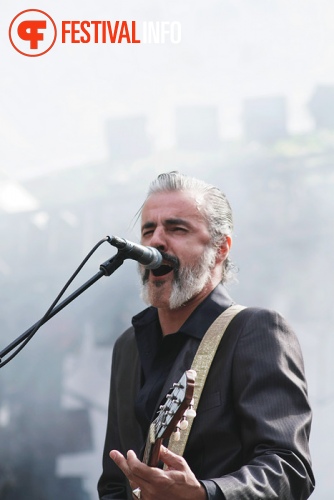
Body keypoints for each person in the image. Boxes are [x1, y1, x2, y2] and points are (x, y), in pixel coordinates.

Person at [98, 171, 315, 499]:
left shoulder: (255, 331)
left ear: (220, 248)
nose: (156, 240)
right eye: (148, 230)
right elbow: (114, 484)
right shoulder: (127, 347)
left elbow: (289, 468)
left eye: (176, 228)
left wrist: (204, 493)